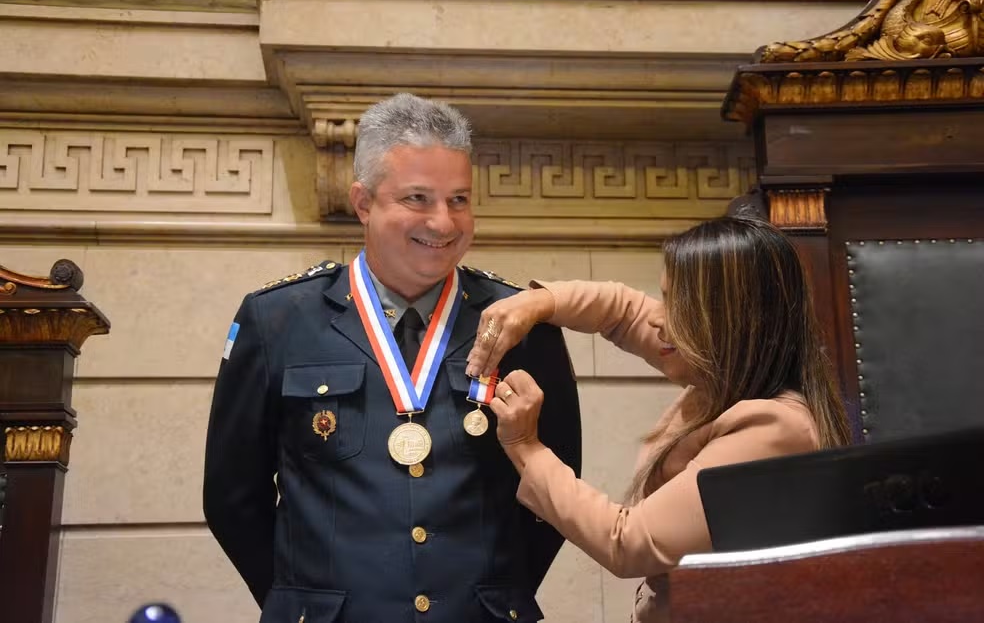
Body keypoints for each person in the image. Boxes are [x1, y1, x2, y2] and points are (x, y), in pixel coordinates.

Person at [203, 93, 581, 623]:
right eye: (418, 199)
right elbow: (231, 497)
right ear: (363, 202)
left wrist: (496, 597)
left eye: (459, 200)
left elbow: (557, 487)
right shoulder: (277, 321)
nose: (444, 222)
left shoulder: (519, 320)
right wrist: (306, 603)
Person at [465, 215, 851, 623]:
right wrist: (538, 302)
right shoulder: (723, 370)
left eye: (676, 304)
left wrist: (524, 447)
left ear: (730, 320)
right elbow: (621, 311)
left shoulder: (774, 428)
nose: (656, 318)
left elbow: (629, 542)